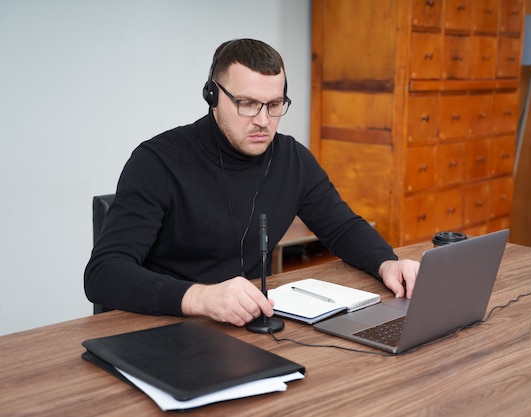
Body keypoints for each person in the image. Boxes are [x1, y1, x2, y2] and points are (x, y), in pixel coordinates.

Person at [84, 38, 420, 327]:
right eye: (246, 104)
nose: (262, 121)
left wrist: (386, 262)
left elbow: (342, 228)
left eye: (274, 105)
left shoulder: (291, 158)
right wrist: (201, 297)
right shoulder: (157, 162)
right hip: (163, 325)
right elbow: (104, 274)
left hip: (245, 323)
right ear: (212, 95)